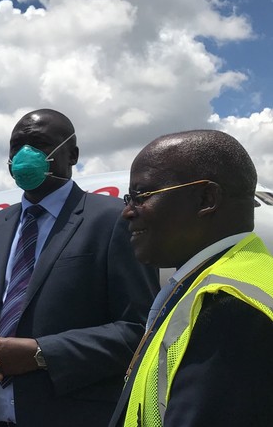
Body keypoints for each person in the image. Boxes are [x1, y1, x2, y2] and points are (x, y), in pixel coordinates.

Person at [0, 109, 159, 427]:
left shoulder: (111, 220)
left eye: (38, 144)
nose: (25, 154)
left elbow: (139, 330)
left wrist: (42, 353)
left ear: (72, 154)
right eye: (16, 146)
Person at [110, 130, 273, 426]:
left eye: (141, 196)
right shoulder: (236, 278)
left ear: (206, 198)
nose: (127, 213)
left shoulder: (227, 306)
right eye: (127, 199)